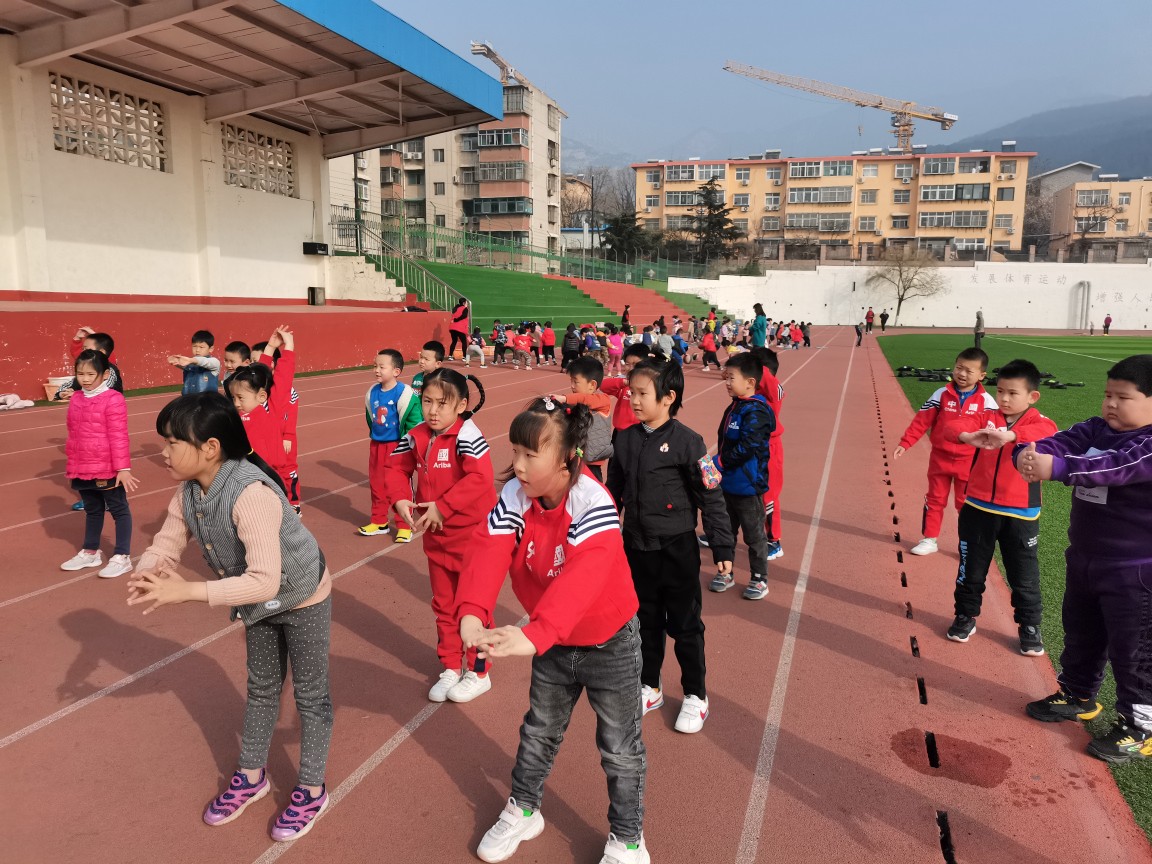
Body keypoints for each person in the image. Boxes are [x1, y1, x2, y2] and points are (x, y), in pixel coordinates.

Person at [127, 392, 333, 842]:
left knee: (311, 695)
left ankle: (312, 789)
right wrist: (149, 569)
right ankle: (252, 776)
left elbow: (265, 581)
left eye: (172, 442)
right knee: (262, 688)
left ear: (210, 447)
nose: (163, 452)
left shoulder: (251, 494)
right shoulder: (189, 491)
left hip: (303, 596)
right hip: (258, 601)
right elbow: (168, 540)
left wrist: (187, 591)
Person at [456, 399, 649, 864]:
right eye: (515, 452)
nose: (518, 465)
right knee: (538, 731)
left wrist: (535, 633)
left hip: (609, 644)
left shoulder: (592, 502)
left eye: (530, 454)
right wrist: (472, 611)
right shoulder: (514, 496)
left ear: (566, 458)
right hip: (553, 641)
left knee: (619, 748)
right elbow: (489, 548)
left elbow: (586, 577)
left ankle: (628, 839)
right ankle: (524, 809)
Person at [1016, 354, 1152, 762]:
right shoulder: (1094, 428)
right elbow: (1055, 443)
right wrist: (1027, 454)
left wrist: (1057, 467)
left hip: (1135, 570)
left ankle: (1141, 727)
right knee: (1081, 631)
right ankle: (1078, 694)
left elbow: (1114, 467)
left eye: (1123, 397)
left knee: (1135, 649)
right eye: (1107, 394)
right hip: (1086, 558)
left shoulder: (1146, 446)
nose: (1110, 404)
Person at [608, 358, 734, 734]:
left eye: (642, 393)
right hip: (637, 548)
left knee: (685, 625)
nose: (633, 400)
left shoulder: (688, 442)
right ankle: (650, 686)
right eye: (631, 392)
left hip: (677, 550)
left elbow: (711, 495)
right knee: (644, 622)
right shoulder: (624, 439)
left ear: (668, 398)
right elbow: (612, 493)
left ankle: (696, 694)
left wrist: (723, 547)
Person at [385, 368, 496, 703]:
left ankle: (478, 672)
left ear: (461, 405)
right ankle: (450, 666)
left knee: (474, 608)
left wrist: (443, 507)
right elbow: (395, 468)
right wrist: (400, 498)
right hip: (437, 539)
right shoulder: (417, 435)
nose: (433, 410)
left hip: (473, 539)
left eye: (442, 404)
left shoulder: (468, 435)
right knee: (444, 605)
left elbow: (480, 478)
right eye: (427, 401)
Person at [946, 359, 1057, 654]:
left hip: (1021, 514)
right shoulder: (986, 416)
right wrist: (967, 436)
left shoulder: (1037, 421)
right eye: (1001, 391)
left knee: (1024, 576)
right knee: (970, 570)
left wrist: (1010, 436)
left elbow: (1048, 431)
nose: (1004, 399)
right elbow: (954, 425)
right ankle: (965, 615)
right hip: (977, 509)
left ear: (1032, 396)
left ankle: (1029, 626)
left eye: (1013, 393)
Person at [894, 348, 998, 556]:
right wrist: (906, 442)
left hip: (969, 463)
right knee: (934, 498)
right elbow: (922, 421)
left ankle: (967, 544)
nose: (962, 374)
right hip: (939, 458)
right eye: (959, 368)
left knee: (965, 505)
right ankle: (929, 539)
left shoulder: (987, 402)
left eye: (969, 371)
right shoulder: (941, 394)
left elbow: (995, 432)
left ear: (981, 375)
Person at [59, 349, 139, 578]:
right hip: (81, 466)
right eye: (80, 373)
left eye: (90, 374)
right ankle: (90, 551)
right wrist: (74, 462)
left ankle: (122, 556)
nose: (84, 379)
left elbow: (119, 435)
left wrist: (123, 469)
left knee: (119, 509)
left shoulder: (113, 399)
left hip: (107, 467)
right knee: (92, 510)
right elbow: (74, 433)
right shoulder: (76, 398)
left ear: (104, 374)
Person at [713, 352, 775, 600]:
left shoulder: (757, 411)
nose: (727, 382)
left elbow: (749, 446)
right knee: (725, 532)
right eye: (726, 377)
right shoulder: (736, 405)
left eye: (732, 378)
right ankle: (726, 572)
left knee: (754, 536)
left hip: (748, 486)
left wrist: (720, 462)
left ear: (750, 382)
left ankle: (759, 578)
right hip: (727, 483)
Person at [228, 326, 298, 512]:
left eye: (240, 398)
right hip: (247, 475)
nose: (236, 403)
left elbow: (281, 379)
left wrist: (288, 346)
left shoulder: (271, 410)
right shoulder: (238, 414)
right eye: (233, 398)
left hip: (270, 476)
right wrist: (270, 347)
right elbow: (259, 374)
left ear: (261, 396)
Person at [359, 348, 422, 541]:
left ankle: (404, 525)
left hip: (397, 446)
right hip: (377, 445)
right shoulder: (372, 392)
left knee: (399, 485)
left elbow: (415, 421)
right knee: (377, 483)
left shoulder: (405, 394)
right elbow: (370, 417)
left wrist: (410, 443)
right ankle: (379, 521)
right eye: (375, 366)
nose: (376, 370)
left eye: (381, 367)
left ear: (396, 371)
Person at [550, 356, 612, 481]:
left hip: (592, 462)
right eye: (571, 381)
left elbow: (585, 399)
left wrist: (565, 398)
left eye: (576, 382)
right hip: (574, 459)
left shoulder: (603, 400)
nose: (572, 386)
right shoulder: (573, 403)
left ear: (592, 385)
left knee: (593, 488)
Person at [53, 327, 122, 401]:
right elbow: (70, 384)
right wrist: (62, 393)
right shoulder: (84, 369)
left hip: (105, 406)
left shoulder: (109, 370)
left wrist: (77, 394)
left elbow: (103, 389)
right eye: (83, 349)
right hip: (86, 406)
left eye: (86, 349)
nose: (85, 379)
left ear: (101, 352)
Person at [169, 329, 221, 395]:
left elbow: (204, 362)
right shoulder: (190, 363)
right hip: (188, 399)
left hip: (207, 400)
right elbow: (184, 365)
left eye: (201, 347)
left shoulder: (214, 362)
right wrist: (176, 361)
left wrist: (190, 360)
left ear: (211, 349)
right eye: (194, 346)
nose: (197, 350)